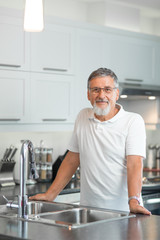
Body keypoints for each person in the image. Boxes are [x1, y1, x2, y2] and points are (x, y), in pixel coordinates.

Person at [30, 68, 151, 215]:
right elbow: (72, 159)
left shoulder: (133, 121)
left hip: (123, 212)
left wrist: (133, 201)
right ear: (88, 94)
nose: (101, 95)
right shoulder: (82, 117)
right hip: (88, 211)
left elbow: (134, 163)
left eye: (107, 89)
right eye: (95, 90)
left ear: (116, 93)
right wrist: (50, 194)